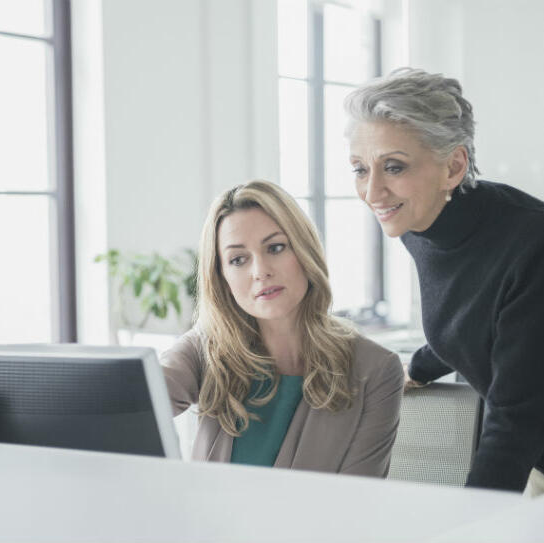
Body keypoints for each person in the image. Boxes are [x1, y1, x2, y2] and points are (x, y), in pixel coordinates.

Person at [344, 68, 544, 495]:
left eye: (393, 167)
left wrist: (473, 517)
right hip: (537, 456)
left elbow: (517, 416)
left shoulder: (535, 241)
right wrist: (421, 367)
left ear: (453, 166)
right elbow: (472, 312)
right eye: (360, 169)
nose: (373, 191)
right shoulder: (416, 221)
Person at [161, 180, 403, 476]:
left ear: (304, 252)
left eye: (275, 247)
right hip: (206, 522)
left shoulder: (375, 370)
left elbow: (357, 501)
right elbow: (131, 401)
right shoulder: (205, 348)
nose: (260, 271)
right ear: (222, 277)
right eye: (238, 259)